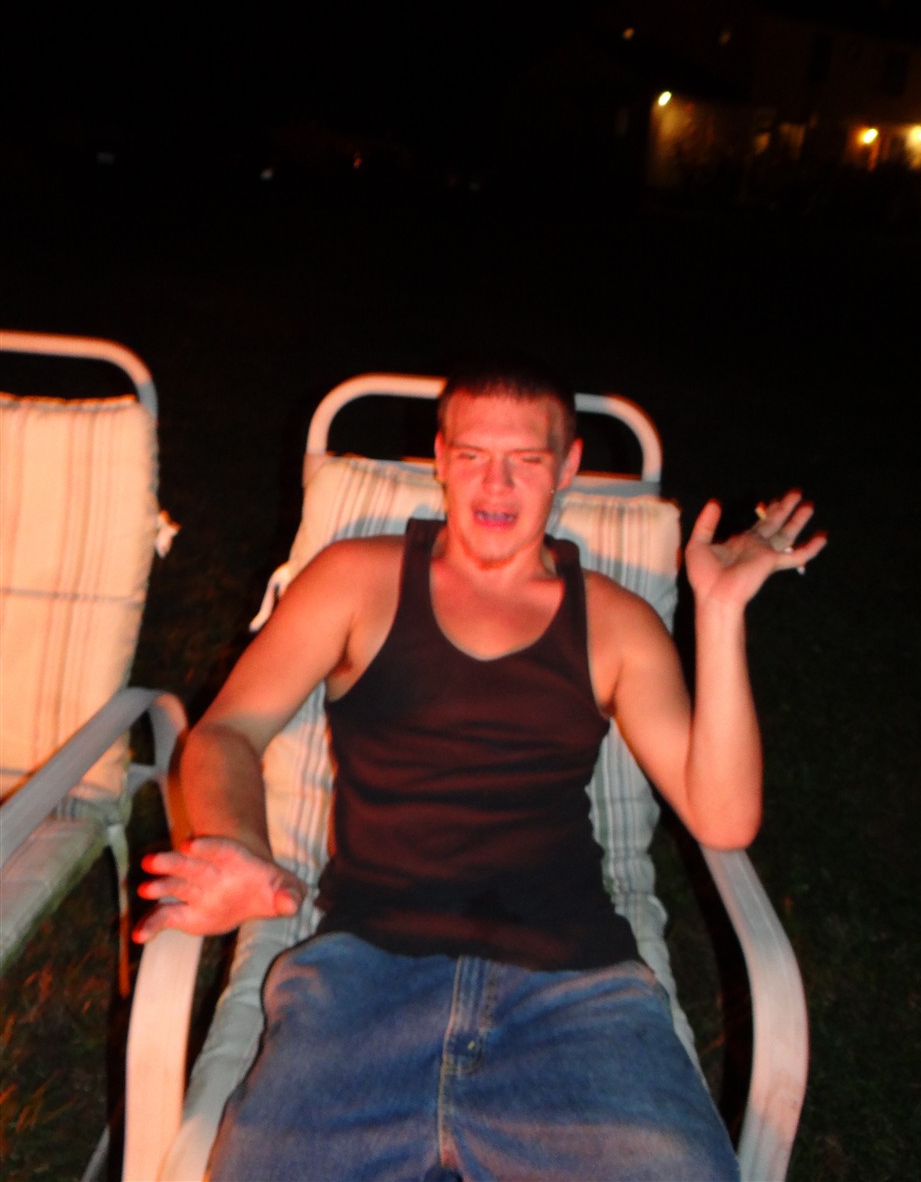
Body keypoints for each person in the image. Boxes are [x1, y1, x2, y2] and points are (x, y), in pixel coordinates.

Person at [135, 355, 826, 1181]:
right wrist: (240, 844)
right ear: (440, 456)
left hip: (574, 988)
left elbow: (723, 815)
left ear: (567, 465)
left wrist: (719, 611)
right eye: (472, 456)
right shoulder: (356, 580)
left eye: (526, 460)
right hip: (363, 976)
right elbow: (226, 731)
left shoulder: (616, 622)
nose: (495, 486)